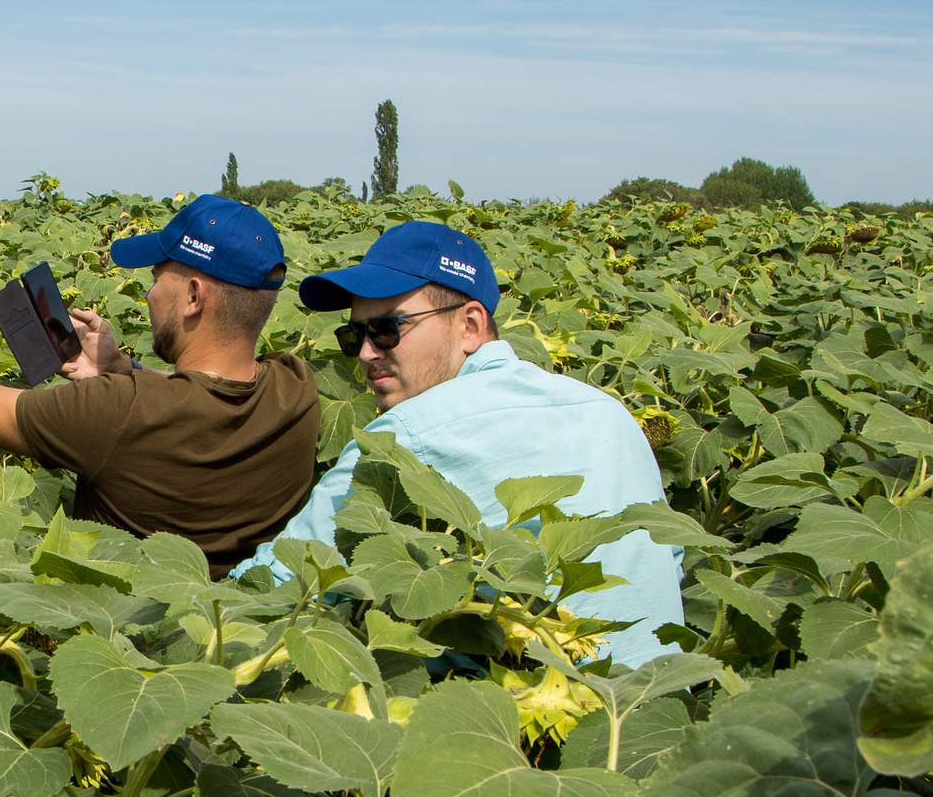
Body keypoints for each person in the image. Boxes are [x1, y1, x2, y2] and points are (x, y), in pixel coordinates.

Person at [244, 219, 685, 667]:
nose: (365, 353)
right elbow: (670, 554)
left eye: (386, 329)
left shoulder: (406, 436)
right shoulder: (608, 412)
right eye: (354, 335)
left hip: (528, 716)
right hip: (661, 698)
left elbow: (287, 578)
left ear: (471, 325)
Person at [0, 194, 320, 575]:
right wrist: (121, 369)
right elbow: (208, 393)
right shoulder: (297, 390)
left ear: (194, 296)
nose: (150, 293)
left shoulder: (118, 413)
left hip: (117, 635)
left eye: (156, 278)